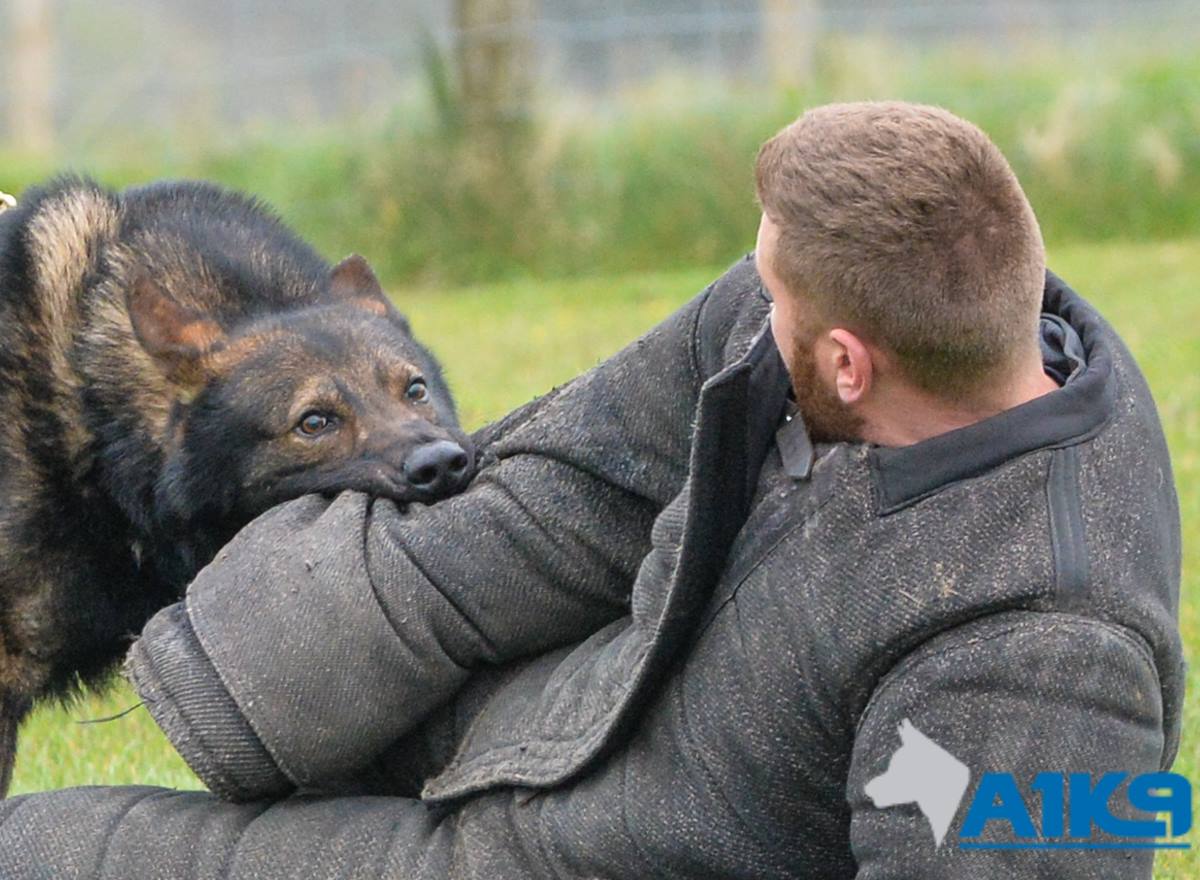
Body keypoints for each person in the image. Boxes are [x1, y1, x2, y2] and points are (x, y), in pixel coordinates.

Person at [0, 101, 1184, 879]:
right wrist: (264, 657)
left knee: (39, 855)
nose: (744, 310)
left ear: (845, 362)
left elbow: (995, 827)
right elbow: (564, 495)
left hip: (555, 860)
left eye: (771, 298)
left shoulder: (1046, 656)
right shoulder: (859, 302)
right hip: (546, 716)